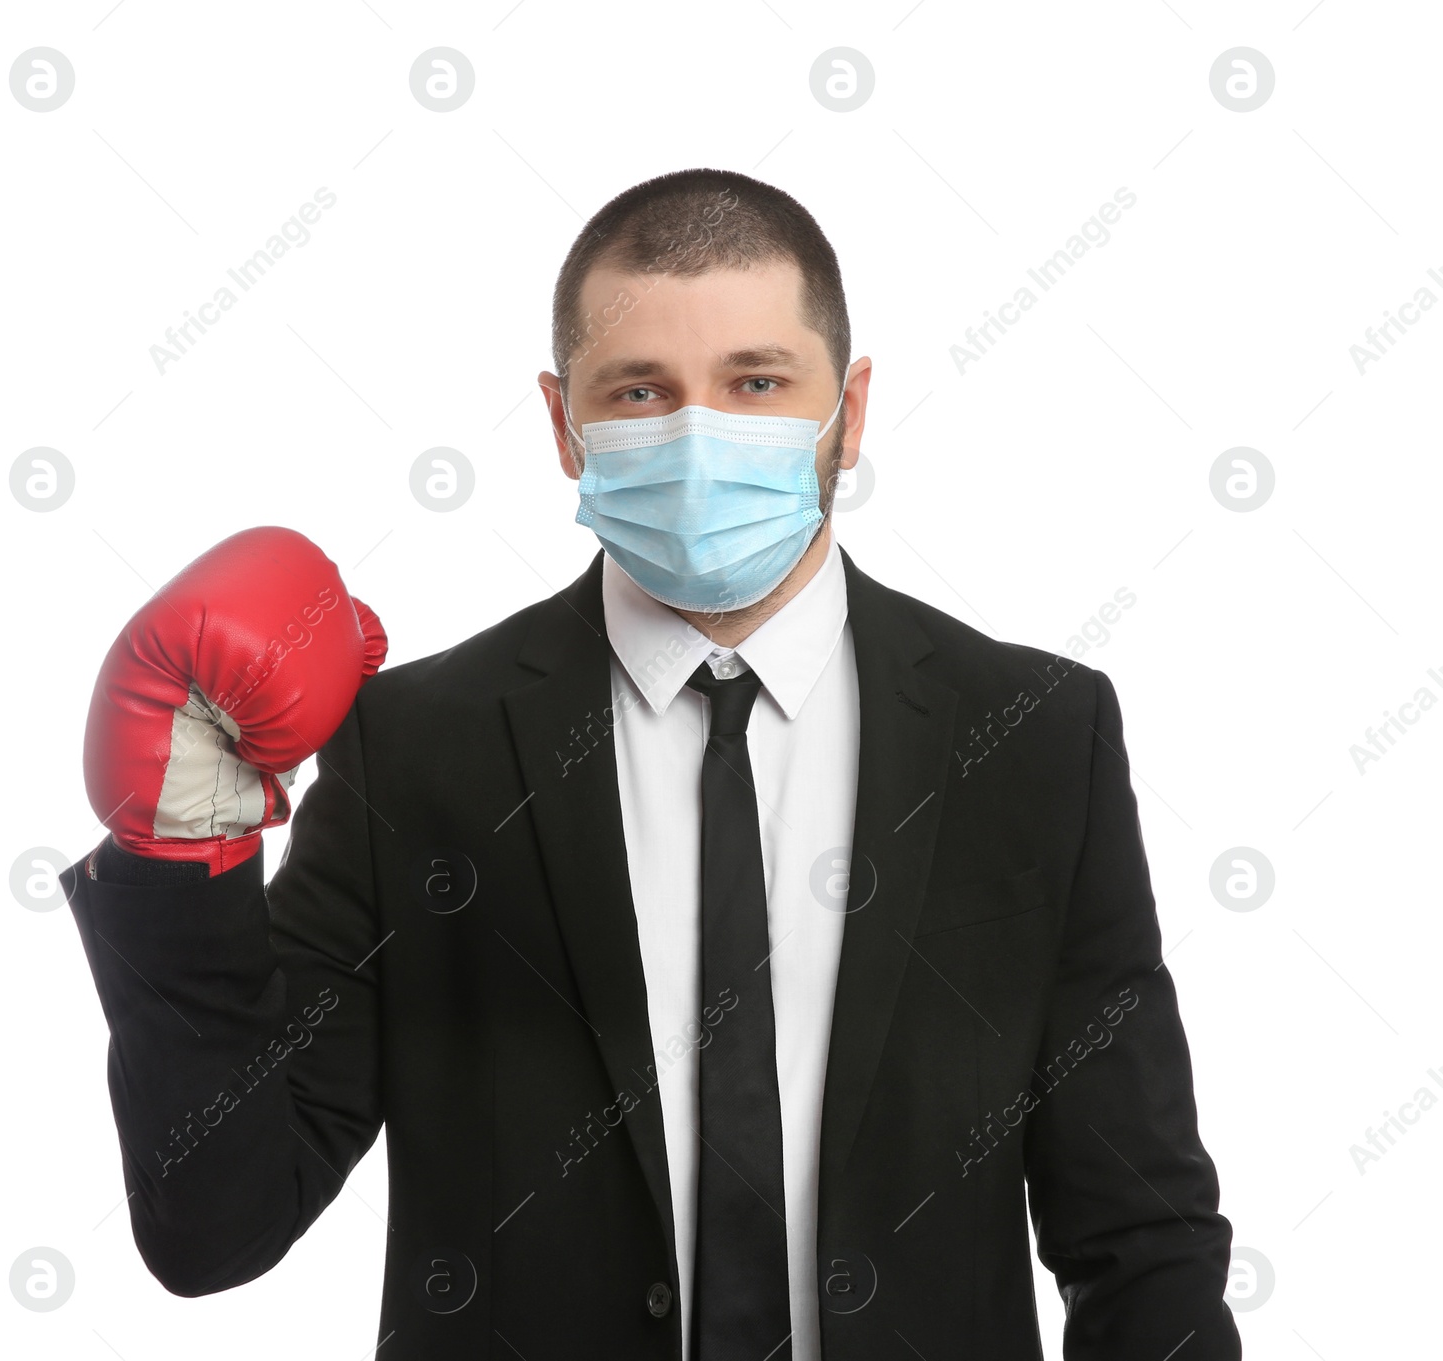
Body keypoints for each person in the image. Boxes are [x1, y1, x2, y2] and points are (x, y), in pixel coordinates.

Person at [64, 168, 1242, 1360]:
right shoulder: (415, 749)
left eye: (756, 382)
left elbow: (1139, 1232)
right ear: (563, 421)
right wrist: (181, 835)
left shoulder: (1032, 734)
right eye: (640, 390)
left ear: (852, 406)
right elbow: (216, 1223)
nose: (696, 435)